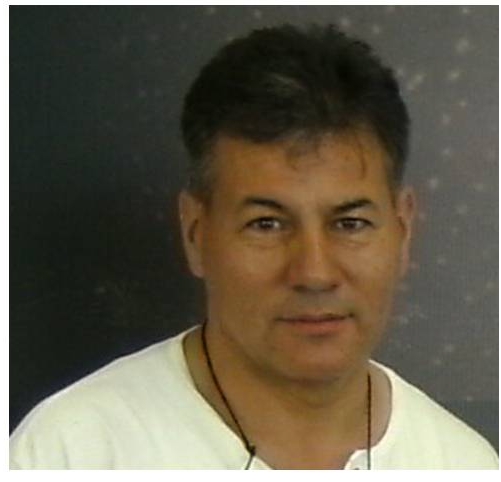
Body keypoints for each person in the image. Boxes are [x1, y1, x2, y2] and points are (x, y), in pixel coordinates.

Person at [10, 24, 498, 470]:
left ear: (403, 230)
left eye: (350, 223)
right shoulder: (72, 452)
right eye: (266, 224)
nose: (314, 272)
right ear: (196, 233)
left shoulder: (464, 464)